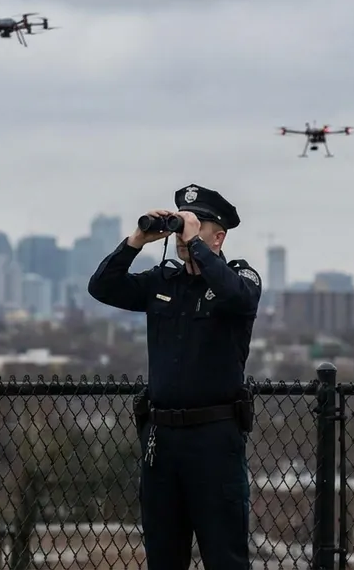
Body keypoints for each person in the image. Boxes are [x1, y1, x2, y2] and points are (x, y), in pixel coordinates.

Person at [88, 183, 262, 570]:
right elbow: (102, 287)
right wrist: (136, 240)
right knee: (163, 557)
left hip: (214, 440)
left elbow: (237, 297)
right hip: (161, 440)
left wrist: (196, 245)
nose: (186, 233)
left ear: (219, 236)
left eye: (197, 225)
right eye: (184, 222)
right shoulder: (162, 282)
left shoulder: (240, 278)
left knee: (225, 557)